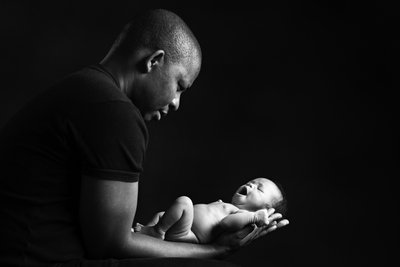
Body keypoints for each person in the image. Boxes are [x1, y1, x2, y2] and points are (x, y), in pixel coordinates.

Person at [0, 9, 288, 267]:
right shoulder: (115, 112)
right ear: (154, 61)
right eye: (179, 85)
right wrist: (214, 250)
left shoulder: (84, 87)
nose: (176, 102)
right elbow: (112, 245)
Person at [134, 178, 289, 244]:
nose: (251, 185)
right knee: (162, 215)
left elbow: (226, 224)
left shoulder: (243, 216)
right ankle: (147, 232)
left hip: (190, 235)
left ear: (264, 210)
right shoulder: (228, 206)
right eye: (251, 182)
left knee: (184, 202)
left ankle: (156, 232)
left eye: (259, 189)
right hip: (183, 227)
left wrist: (254, 217)